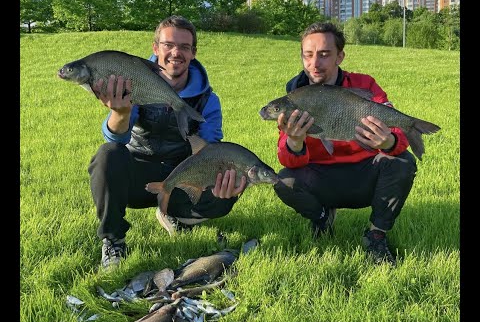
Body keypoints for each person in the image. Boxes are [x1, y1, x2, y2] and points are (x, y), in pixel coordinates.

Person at [88, 15, 246, 269]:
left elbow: (210, 149)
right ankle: (113, 240)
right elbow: (116, 137)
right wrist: (120, 113)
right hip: (138, 177)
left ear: (193, 53)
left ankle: (177, 214)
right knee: (108, 154)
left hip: (181, 177)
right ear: (155, 48)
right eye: (168, 45)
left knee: (229, 182)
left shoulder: (208, 100)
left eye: (184, 47)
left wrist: (220, 178)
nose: (176, 53)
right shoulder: (133, 80)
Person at [272, 22, 417, 265]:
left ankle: (376, 235)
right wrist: (296, 142)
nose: (314, 64)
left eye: (324, 54)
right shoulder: (296, 97)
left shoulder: (364, 84)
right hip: (321, 178)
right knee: (283, 180)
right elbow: (287, 159)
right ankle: (321, 217)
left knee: (403, 162)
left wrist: (389, 140)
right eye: (308, 55)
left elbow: (398, 137)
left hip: (364, 175)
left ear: (340, 56)